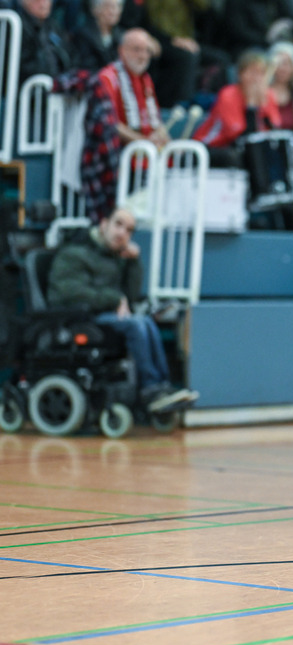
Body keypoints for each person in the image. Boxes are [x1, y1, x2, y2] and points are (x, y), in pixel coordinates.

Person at [46, 208, 199, 413]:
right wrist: (114, 299)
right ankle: (150, 389)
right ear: (103, 224)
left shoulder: (115, 258)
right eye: (118, 225)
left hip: (106, 315)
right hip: (80, 317)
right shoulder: (73, 253)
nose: (122, 234)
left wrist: (133, 263)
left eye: (129, 230)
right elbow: (72, 293)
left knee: (145, 320)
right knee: (136, 323)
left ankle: (162, 387)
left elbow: (130, 295)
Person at [193, 50, 280, 167]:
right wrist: (251, 105)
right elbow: (238, 135)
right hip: (209, 146)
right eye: (252, 72)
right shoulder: (228, 94)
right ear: (240, 74)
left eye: (261, 73)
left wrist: (262, 106)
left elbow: (273, 128)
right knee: (242, 159)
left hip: (238, 149)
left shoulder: (268, 95)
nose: (256, 78)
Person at [97, 28, 168, 148]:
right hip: (122, 155)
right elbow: (110, 123)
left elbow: (156, 120)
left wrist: (164, 139)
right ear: (121, 51)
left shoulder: (145, 78)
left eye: (147, 51)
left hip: (146, 154)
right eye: (137, 49)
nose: (143, 56)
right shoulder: (108, 77)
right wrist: (143, 142)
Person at [17, 0, 72, 84]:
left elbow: (69, 54)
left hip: (58, 85)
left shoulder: (53, 26)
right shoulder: (17, 25)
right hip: (33, 88)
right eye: (38, 0)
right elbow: (24, 66)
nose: (44, 3)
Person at [70, 0, 123, 72]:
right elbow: (85, 66)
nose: (112, 12)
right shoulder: (83, 35)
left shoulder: (121, 35)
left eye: (116, 7)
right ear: (95, 10)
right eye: (108, 6)